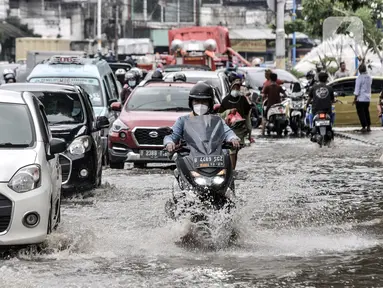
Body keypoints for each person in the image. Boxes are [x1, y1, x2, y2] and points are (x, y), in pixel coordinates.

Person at [164, 81, 240, 153]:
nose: (200, 105)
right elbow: (172, 136)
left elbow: (227, 132)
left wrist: (233, 138)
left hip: (214, 156)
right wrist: (169, 143)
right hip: (189, 158)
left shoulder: (216, 120)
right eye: (197, 101)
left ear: (209, 104)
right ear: (191, 103)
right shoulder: (182, 120)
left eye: (204, 102)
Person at [219, 78, 252, 170]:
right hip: (229, 129)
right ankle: (231, 171)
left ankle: (232, 168)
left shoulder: (243, 99)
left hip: (240, 129)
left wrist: (249, 131)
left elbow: (247, 114)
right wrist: (229, 111)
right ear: (231, 87)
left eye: (238, 87)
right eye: (235, 87)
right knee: (232, 150)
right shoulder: (225, 100)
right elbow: (219, 115)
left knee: (235, 150)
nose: (236, 89)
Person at [353, 63, 372, 132]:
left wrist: (355, 99)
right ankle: (368, 126)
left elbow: (357, 90)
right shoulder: (369, 77)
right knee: (366, 112)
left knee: (361, 113)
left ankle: (364, 126)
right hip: (367, 98)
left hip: (360, 99)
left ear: (359, 70)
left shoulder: (359, 78)